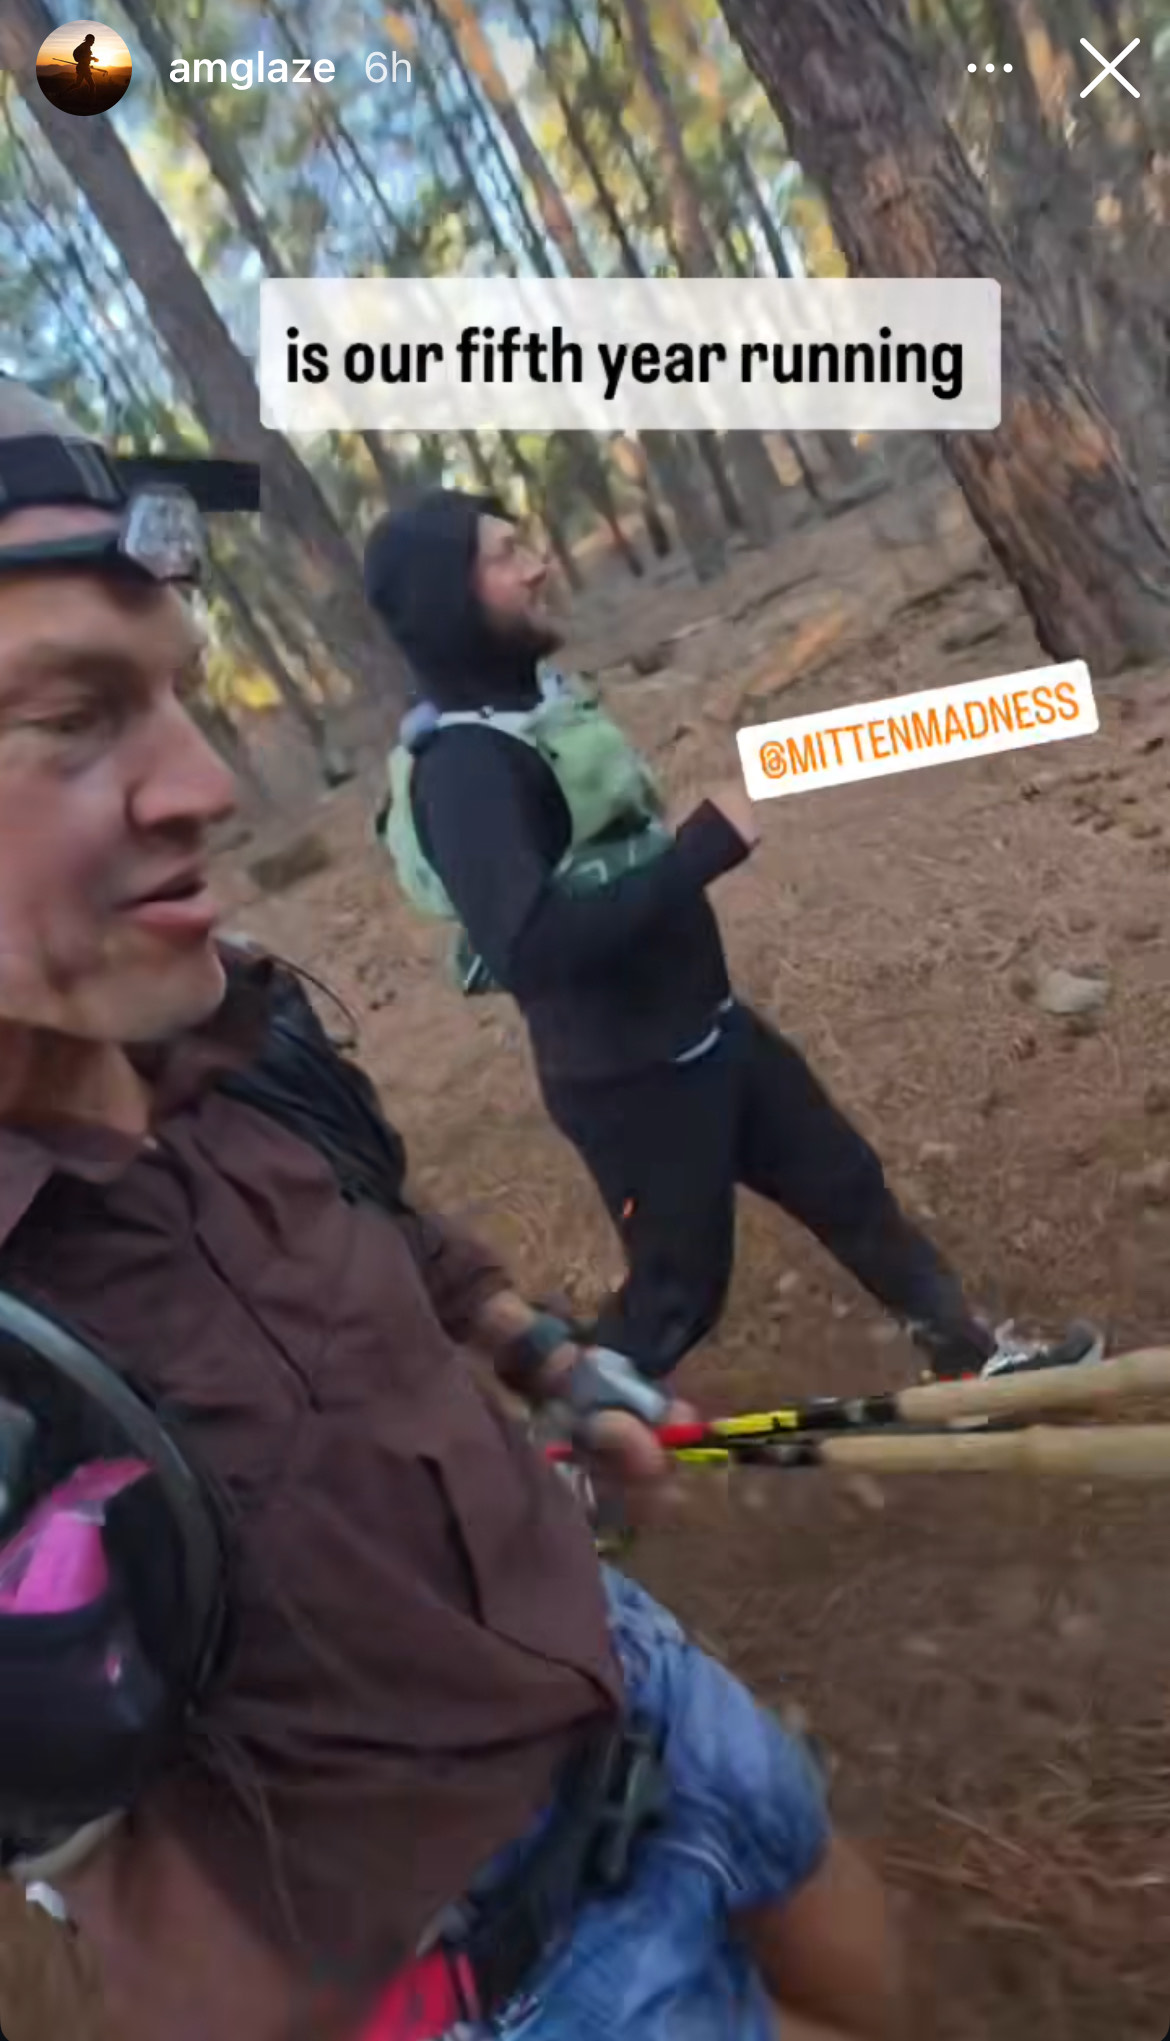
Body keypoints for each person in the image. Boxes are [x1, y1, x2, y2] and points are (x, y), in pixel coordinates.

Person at [0, 378, 904, 2041]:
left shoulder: (218, 1024)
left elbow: (389, 1235)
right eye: (69, 715)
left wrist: (551, 1363)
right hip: (497, 1968)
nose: (203, 783)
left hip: (628, 1679)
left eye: (179, 695)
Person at [364, 490, 1102, 1387]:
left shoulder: (536, 709)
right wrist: (698, 854)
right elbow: (530, 949)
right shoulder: (466, 770)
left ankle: (971, 1360)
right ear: (448, 594)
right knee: (677, 1296)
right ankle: (579, 1430)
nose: (539, 564)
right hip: (634, 1083)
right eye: (505, 553)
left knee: (847, 1185)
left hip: (712, 1028)